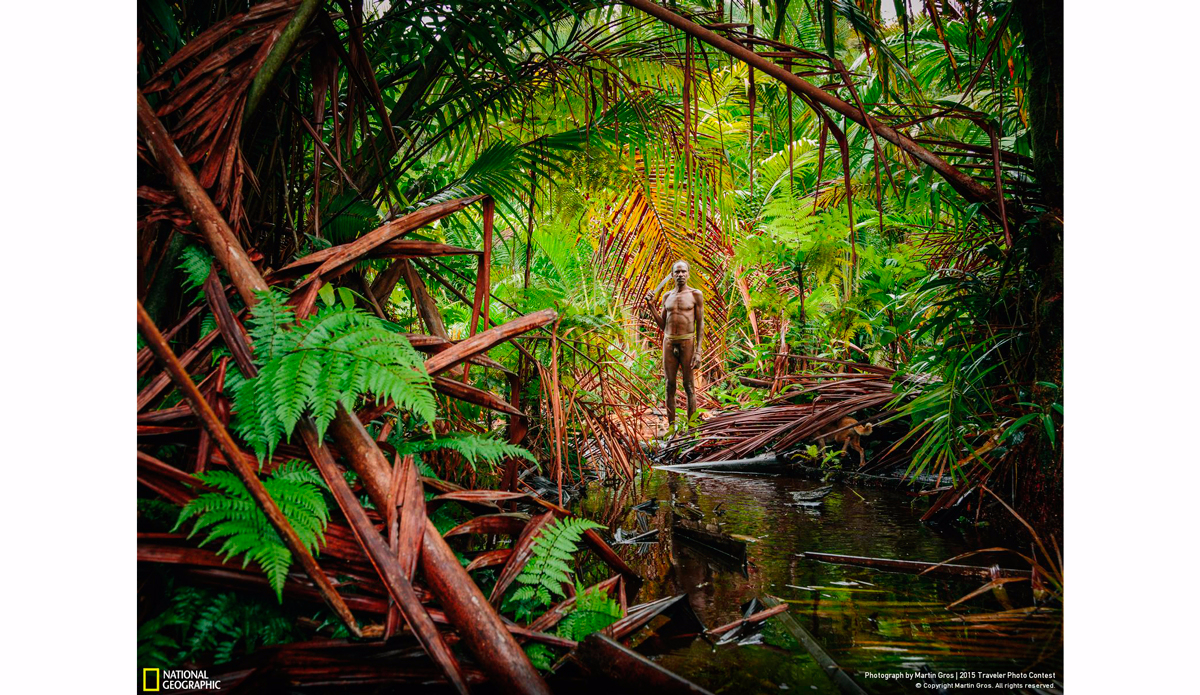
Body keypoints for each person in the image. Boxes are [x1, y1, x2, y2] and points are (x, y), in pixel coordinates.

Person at [644, 260, 704, 429]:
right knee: (670, 385)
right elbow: (663, 325)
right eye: (677, 272)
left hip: (687, 342)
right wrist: (651, 307)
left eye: (683, 271)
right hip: (669, 342)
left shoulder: (695, 295)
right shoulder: (667, 296)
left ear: (688, 274)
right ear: (672, 275)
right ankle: (672, 429)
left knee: (689, 385)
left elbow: (700, 323)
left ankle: (692, 429)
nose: (680, 275)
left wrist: (698, 351)